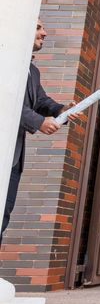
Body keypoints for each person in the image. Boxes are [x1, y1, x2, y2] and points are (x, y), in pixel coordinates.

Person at [2, 18, 78, 246]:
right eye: (38, 27)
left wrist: (61, 110)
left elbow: (41, 101)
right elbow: (5, 101)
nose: (44, 33)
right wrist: (38, 122)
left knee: (3, 215)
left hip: (14, 157)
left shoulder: (32, 70)